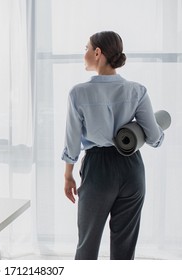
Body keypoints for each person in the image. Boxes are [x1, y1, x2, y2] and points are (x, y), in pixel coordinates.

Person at [61, 31, 164, 260]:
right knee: (124, 249)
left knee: (87, 245)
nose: (84, 53)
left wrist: (68, 176)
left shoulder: (78, 93)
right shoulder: (137, 90)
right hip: (132, 169)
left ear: (98, 53)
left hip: (98, 169)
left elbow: (72, 141)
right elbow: (155, 138)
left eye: (86, 48)